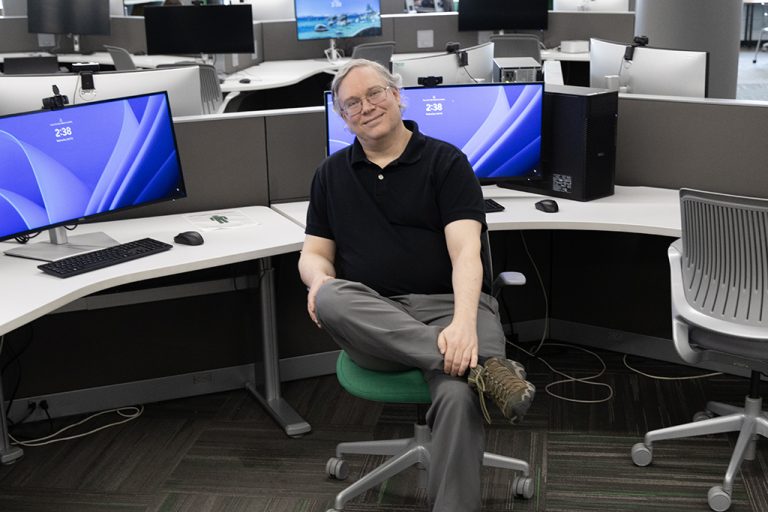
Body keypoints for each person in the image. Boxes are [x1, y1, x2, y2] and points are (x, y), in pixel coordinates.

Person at [298, 59, 535, 512]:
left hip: (450, 309)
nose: (365, 107)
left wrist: (464, 322)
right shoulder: (330, 174)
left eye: (374, 94)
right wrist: (317, 280)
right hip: (375, 322)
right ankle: (487, 370)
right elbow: (314, 255)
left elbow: (466, 252)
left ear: (397, 94)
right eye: (352, 103)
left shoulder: (446, 161)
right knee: (329, 294)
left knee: (457, 395)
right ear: (342, 116)